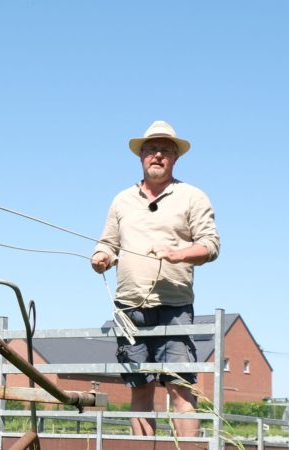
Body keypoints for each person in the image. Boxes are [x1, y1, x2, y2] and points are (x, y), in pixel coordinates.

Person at [90, 120, 220, 437]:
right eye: (151, 149)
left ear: (175, 158)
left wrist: (178, 254)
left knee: (179, 389)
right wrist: (101, 258)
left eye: (165, 150)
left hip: (174, 306)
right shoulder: (122, 200)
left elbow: (211, 246)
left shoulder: (192, 196)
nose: (157, 155)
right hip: (129, 306)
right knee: (140, 389)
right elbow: (108, 242)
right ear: (141, 157)